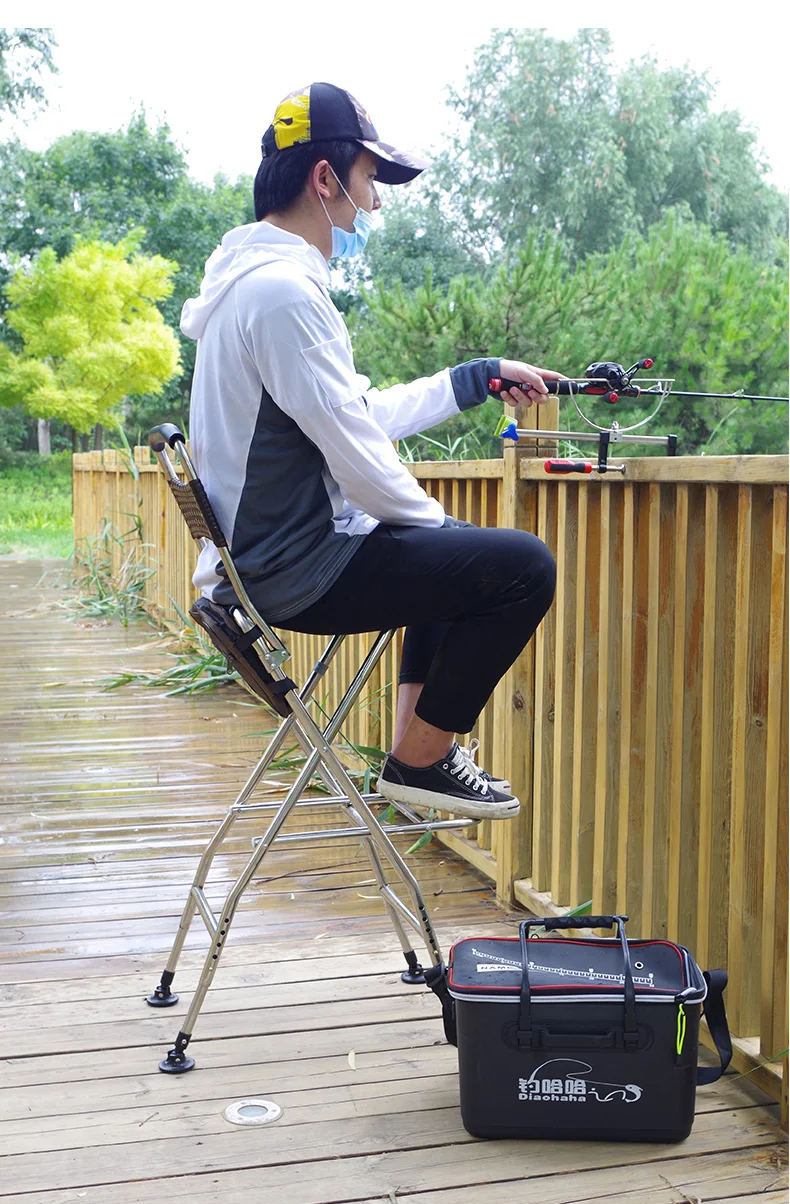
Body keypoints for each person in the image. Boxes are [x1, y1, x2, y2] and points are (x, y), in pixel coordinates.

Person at [181, 82, 563, 822]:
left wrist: (472, 379)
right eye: (367, 183)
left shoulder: (248, 289)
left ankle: (421, 757)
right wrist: (437, 524)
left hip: (264, 563)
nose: (373, 206)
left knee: (447, 549)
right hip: (298, 571)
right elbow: (356, 452)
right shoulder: (284, 295)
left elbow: (349, 415)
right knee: (521, 568)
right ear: (325, 180)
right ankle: (420, 762)